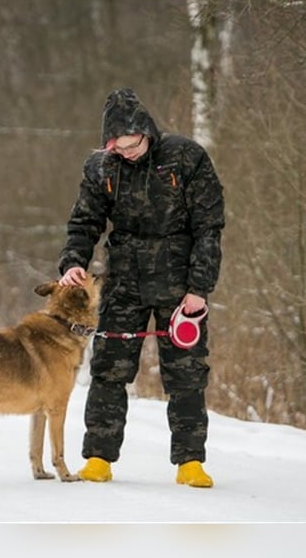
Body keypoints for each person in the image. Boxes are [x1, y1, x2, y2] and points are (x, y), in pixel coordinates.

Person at [58, 87, 225, 487]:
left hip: (180, 285)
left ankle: (190, 463)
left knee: (186, 375)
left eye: (132, 144)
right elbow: (84, 222)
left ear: (146, 133)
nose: (126, 152)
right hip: (123, 282)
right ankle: (98, 457)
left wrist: (199, 288)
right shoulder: (101, 168)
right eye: (118, 147)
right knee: (109, 371)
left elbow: (209, 228)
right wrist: (73, 263)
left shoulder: (187, 158)